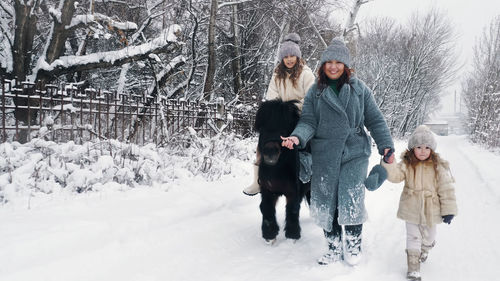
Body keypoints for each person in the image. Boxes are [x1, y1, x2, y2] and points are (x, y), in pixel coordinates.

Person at [281, 37, 394, 265]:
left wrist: (386, 145)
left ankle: (353, 246)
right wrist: (297, 136)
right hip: (324, 153)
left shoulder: (360, 89)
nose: (333, 66)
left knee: (351, 199)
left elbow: (375, 120)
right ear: (323, 65)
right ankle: (333, 247)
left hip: (354, 152)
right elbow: (308, 122)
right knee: (326, 202)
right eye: (329, 62)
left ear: (346, 66)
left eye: (338, 62)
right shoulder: (315, 92)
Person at [381, 125, 457, 281]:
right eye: (419, 147)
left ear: (432, 149)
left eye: (427, 147)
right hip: (411, 207)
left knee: (429, 237)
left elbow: (446, 188)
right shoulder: (407, 164)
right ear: (412, 148)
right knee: (413, 237)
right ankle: (413, 268)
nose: (423, 150)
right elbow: (395, 176)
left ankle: (426, 248)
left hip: (431, 209)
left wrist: (448, 210)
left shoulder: (438, 166)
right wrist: (389, 163)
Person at [243, 33, 315, 196]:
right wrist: (277, 113)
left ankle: (307, 173)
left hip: (301, 118)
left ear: (297, 56)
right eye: (286, 56)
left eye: (292, 56)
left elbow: (311, 99)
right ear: (282, 58)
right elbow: (271, 98)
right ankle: (258, 180)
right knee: (264, 139)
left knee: (308, 143)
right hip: (281, 119)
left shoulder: (306, 74)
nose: (289, 59)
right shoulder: (277, 75)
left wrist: (292, 109)